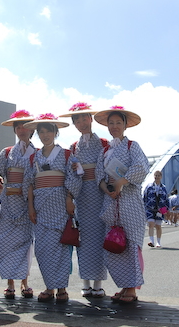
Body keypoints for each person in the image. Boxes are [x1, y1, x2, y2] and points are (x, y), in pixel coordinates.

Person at [23, 113, 82, 304]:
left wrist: (69, 198)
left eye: (48, 131)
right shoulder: (34, 157)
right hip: (41, 206)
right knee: (43, 248)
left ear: (55, 132)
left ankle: (62, 288)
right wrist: (31, 206)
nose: (45, 134)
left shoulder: (66, 154)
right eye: (41, 131)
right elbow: (30, 183)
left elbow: (74, 177)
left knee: (62, 247)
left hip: (60, 205)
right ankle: (49, 286)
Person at [94, 106, 148, 303]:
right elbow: (99, 176)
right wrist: (106, 187)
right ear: (107, 126)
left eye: (118, 122)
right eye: (111, 123)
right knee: (115, 244)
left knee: (131, 243)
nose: (114, 126)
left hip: (130, 202)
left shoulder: (132, 146)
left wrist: (120, 182)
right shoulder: (105, 151)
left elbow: (141, 167)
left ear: (125, 125)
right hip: (111, 202)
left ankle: (132, 289)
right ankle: (125, 286)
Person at [60, 102, 109, 298]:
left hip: (101, 194)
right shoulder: (73, 147)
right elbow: (71, 175)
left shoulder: (104, 143)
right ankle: (86, 283)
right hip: (82, 197)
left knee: (100, 239)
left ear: (91, 118)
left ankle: (98, 284)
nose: (81, 122)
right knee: (83, 240)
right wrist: (70, 196)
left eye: (84, 117)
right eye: (77, 119)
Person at [0, 109, 36, 300]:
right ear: (15, 130)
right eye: (18, 126)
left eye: (25, 125)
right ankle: (10, 283)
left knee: (26, 245)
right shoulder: (6, 152)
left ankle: (25, 282)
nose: (21, 129)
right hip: (9, 203)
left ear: (31, 129)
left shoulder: (38, 153)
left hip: (28, 204)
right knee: (7, 244)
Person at [143, 170, 169, 249]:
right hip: (150, 208)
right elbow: (144, 197)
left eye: (158, 175)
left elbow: (166, 199)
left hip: (160, 210)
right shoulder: (149, 186)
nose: (157, 177)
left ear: (161, 177)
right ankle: (151, 240)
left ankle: (158, 241)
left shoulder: (163, 188)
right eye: (155, 175)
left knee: (158, 226)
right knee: (151, 224)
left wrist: (167, 209)